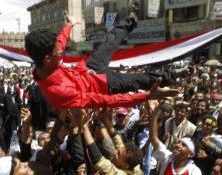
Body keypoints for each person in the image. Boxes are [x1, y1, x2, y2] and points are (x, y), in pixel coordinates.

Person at [24, 10, 186, 109]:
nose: (61, 51)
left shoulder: (47, 58)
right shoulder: (58, 93)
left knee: (111, 40)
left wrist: (69, 24)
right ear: (47, 59)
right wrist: (146, 96)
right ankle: (172, 75)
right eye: (58, 52)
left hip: (88, 67)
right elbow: (106, 101)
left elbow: (60, 41)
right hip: (103, 85)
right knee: (139, 79)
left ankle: (131, 20)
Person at [147, 99, 202, 175]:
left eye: (184, 145)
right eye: (177, 110)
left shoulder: (194, 171)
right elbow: (154, 138)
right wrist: (153, 114)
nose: (178, 145)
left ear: (191, 154)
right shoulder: (167, 157)